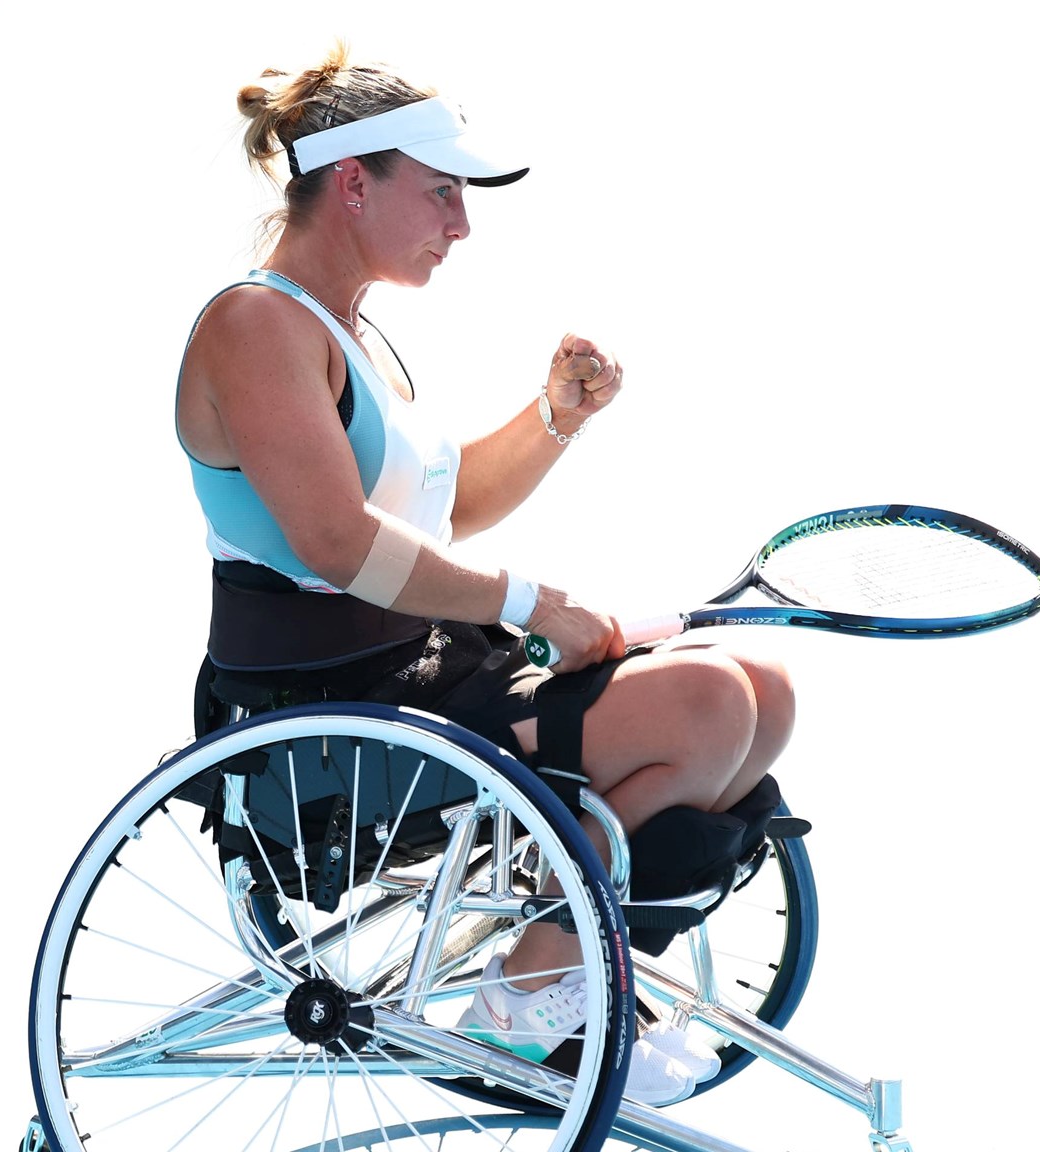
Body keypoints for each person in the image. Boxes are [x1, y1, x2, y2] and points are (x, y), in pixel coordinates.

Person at [174, 42, 795, 1106]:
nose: (459, 223)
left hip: (424, 677)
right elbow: (337, 544)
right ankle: (525, 1002)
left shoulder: (346, 336)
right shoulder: (254, 326)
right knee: (699, 705)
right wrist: (529, 602)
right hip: (331, 726)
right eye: (441, 193)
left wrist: (555, 418)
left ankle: (553, 983)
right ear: (354, 182)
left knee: (761, 697)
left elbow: (442, 508)